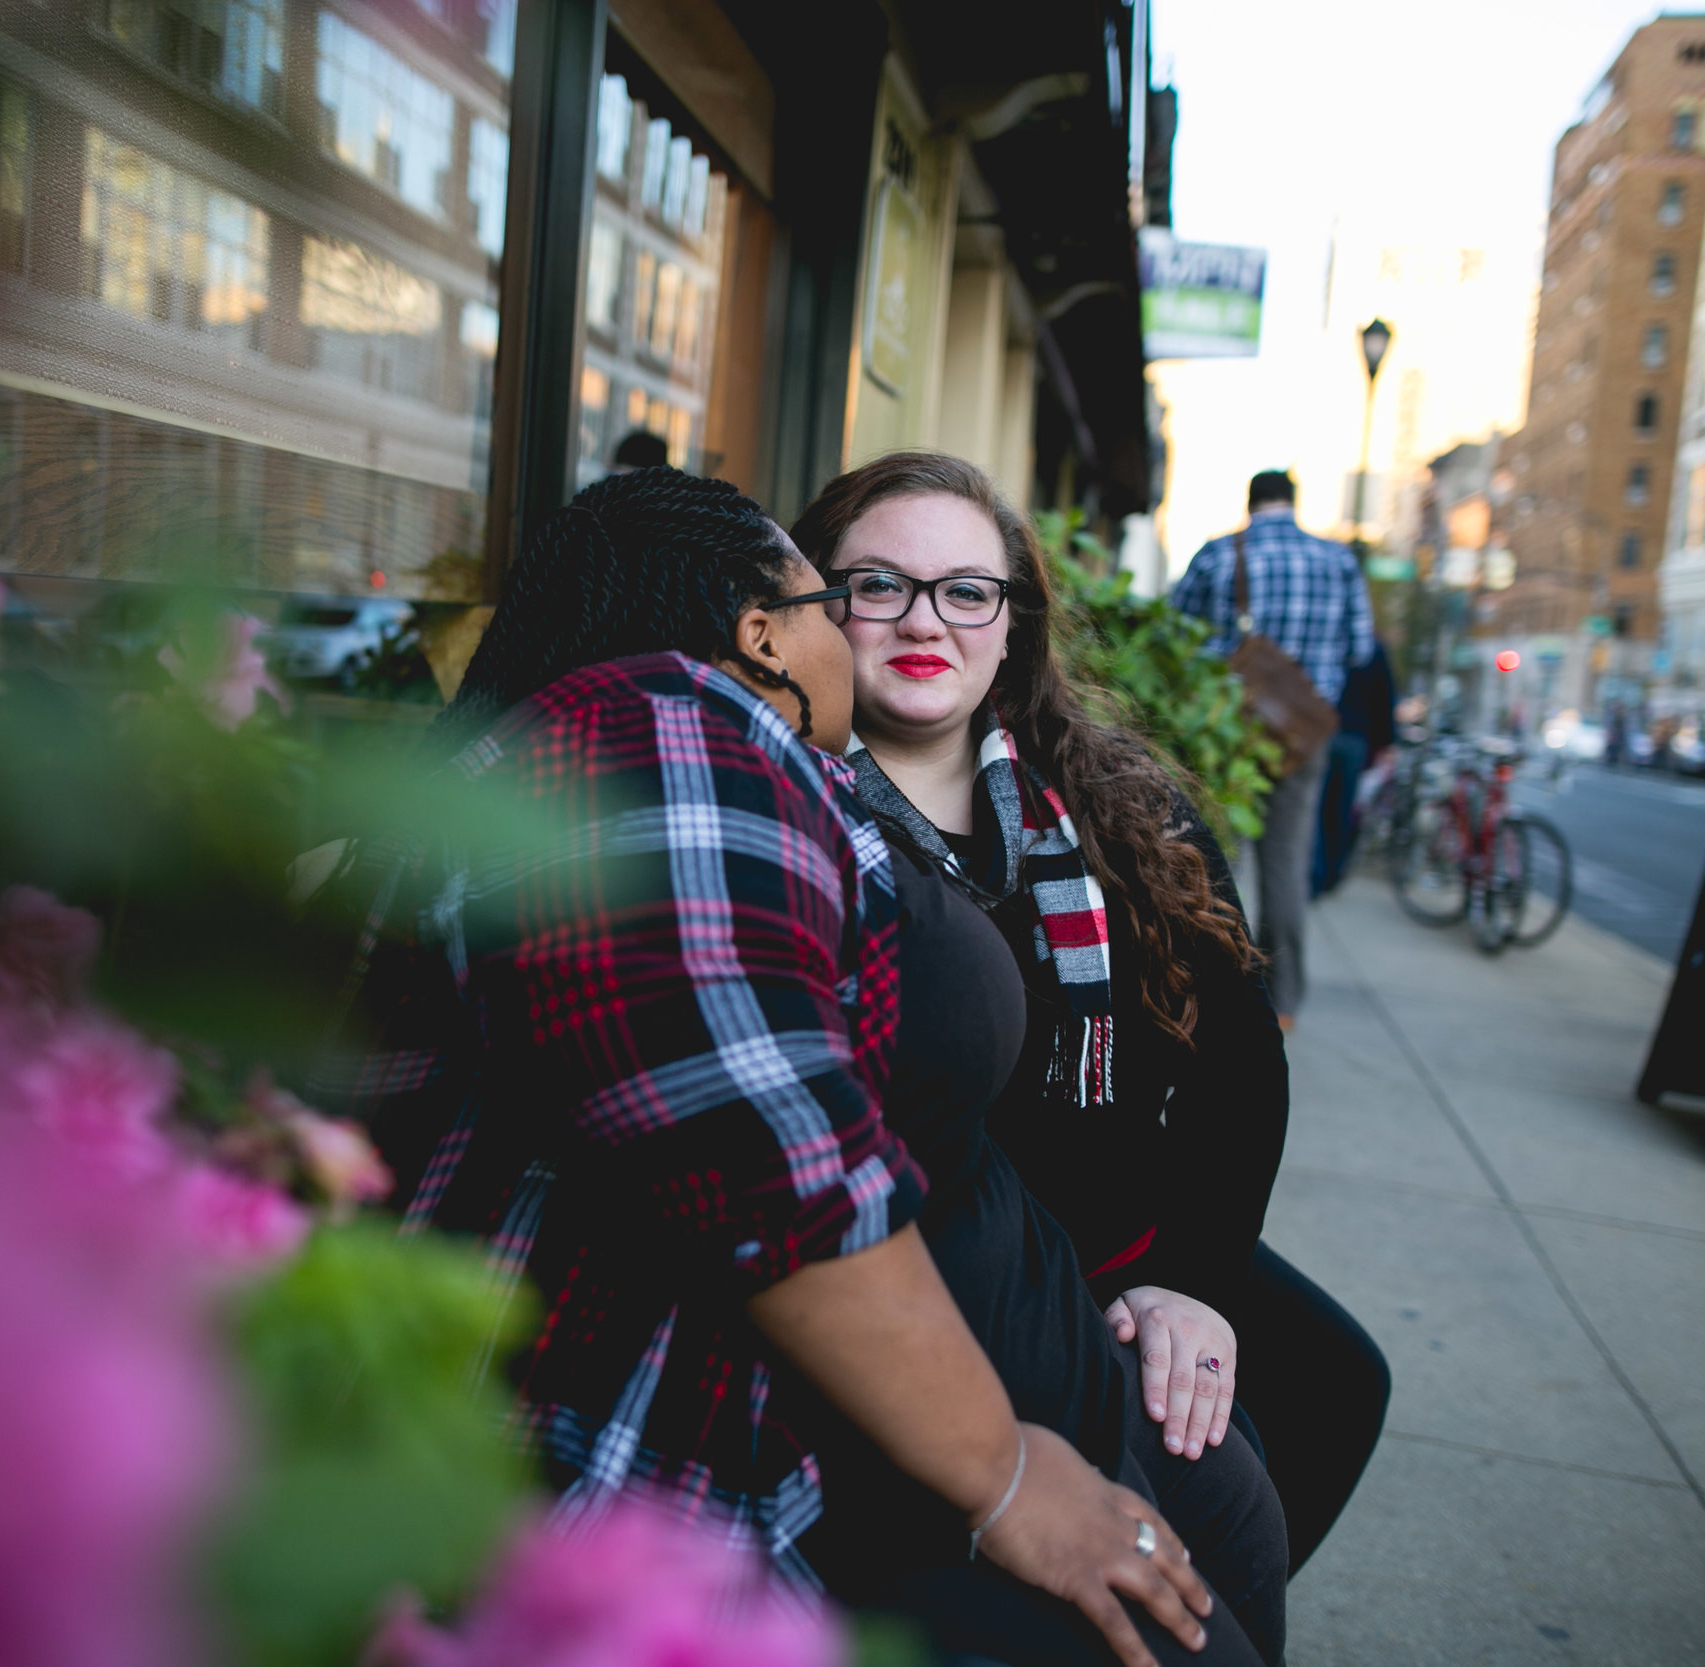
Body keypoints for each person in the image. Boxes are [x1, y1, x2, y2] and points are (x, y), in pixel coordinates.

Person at [346, 467, 1279, 1667]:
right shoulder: (668, 726)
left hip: (937, 1384)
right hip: (704, 1489)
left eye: (964, 592)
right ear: (761, 630)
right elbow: (762, 1161)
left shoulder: (757, 757)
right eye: (847, 594)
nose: (893, 624)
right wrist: (1002, 1477)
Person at [793, 452, 1388, 1579]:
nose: (927, 620)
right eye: (878, 584)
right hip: (956, 1279)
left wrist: (1194, 1285)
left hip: (1134, 1241)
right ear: (817, 603)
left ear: (1012, 622)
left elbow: (1238, 1061)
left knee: (1334, 1385)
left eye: (968, 590)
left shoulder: (1118, 804)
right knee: (1214, 1487)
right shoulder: (783, 813)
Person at [1168, 472, 1373, 1032]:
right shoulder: (1339, 562)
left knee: (1215, 861)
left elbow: (1175, 636)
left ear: (1252, 502)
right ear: (1293, 502)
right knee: (1286, 864)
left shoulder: (1217, 555)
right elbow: (1359, 649)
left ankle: (1206, 990)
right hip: (1305, 734)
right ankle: (1281, 1005)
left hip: (1226, 732)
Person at [1313, 636, 1396, 897]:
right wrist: (1388, 743)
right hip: (1354, 738)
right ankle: (1333, 872)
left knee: (1318, 807)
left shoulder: (1329, 641)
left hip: (1325, 732)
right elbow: (1385, 698)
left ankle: (1317, 873)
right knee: (1342, 808)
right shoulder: (1373, 647)